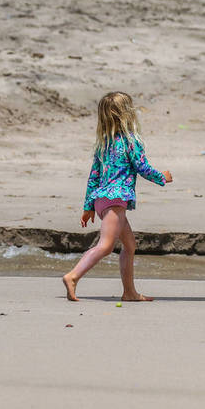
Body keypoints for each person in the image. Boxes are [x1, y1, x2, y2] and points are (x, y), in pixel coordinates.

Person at [63, 91, 172, 302]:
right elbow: (142, 167)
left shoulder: (103, 144)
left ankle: (129, 292)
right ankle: (73, 276)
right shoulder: (131, 141)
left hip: (102, 201)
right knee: (105, 245)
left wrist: (88, 207)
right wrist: (162, 177)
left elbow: (93, 177)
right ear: (128, 114)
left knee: (129, 245)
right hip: (115, 201)